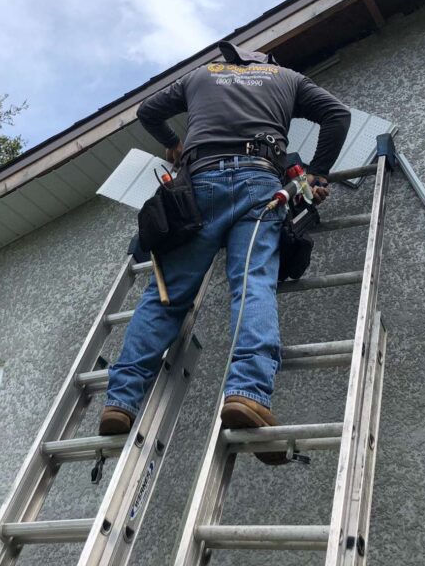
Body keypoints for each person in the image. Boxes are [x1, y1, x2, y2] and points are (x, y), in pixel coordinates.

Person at [100, 41, 351, 464]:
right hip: (260, 185)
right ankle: (246, 394)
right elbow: (337, 116)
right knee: (252, 285)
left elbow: (147, 112)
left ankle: (120, 402)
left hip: (197, 186)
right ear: (267, 64)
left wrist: (174, 142)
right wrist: (316, 173)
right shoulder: (287, 78)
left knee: (167, 296)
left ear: (231, 62)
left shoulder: (202, 75)